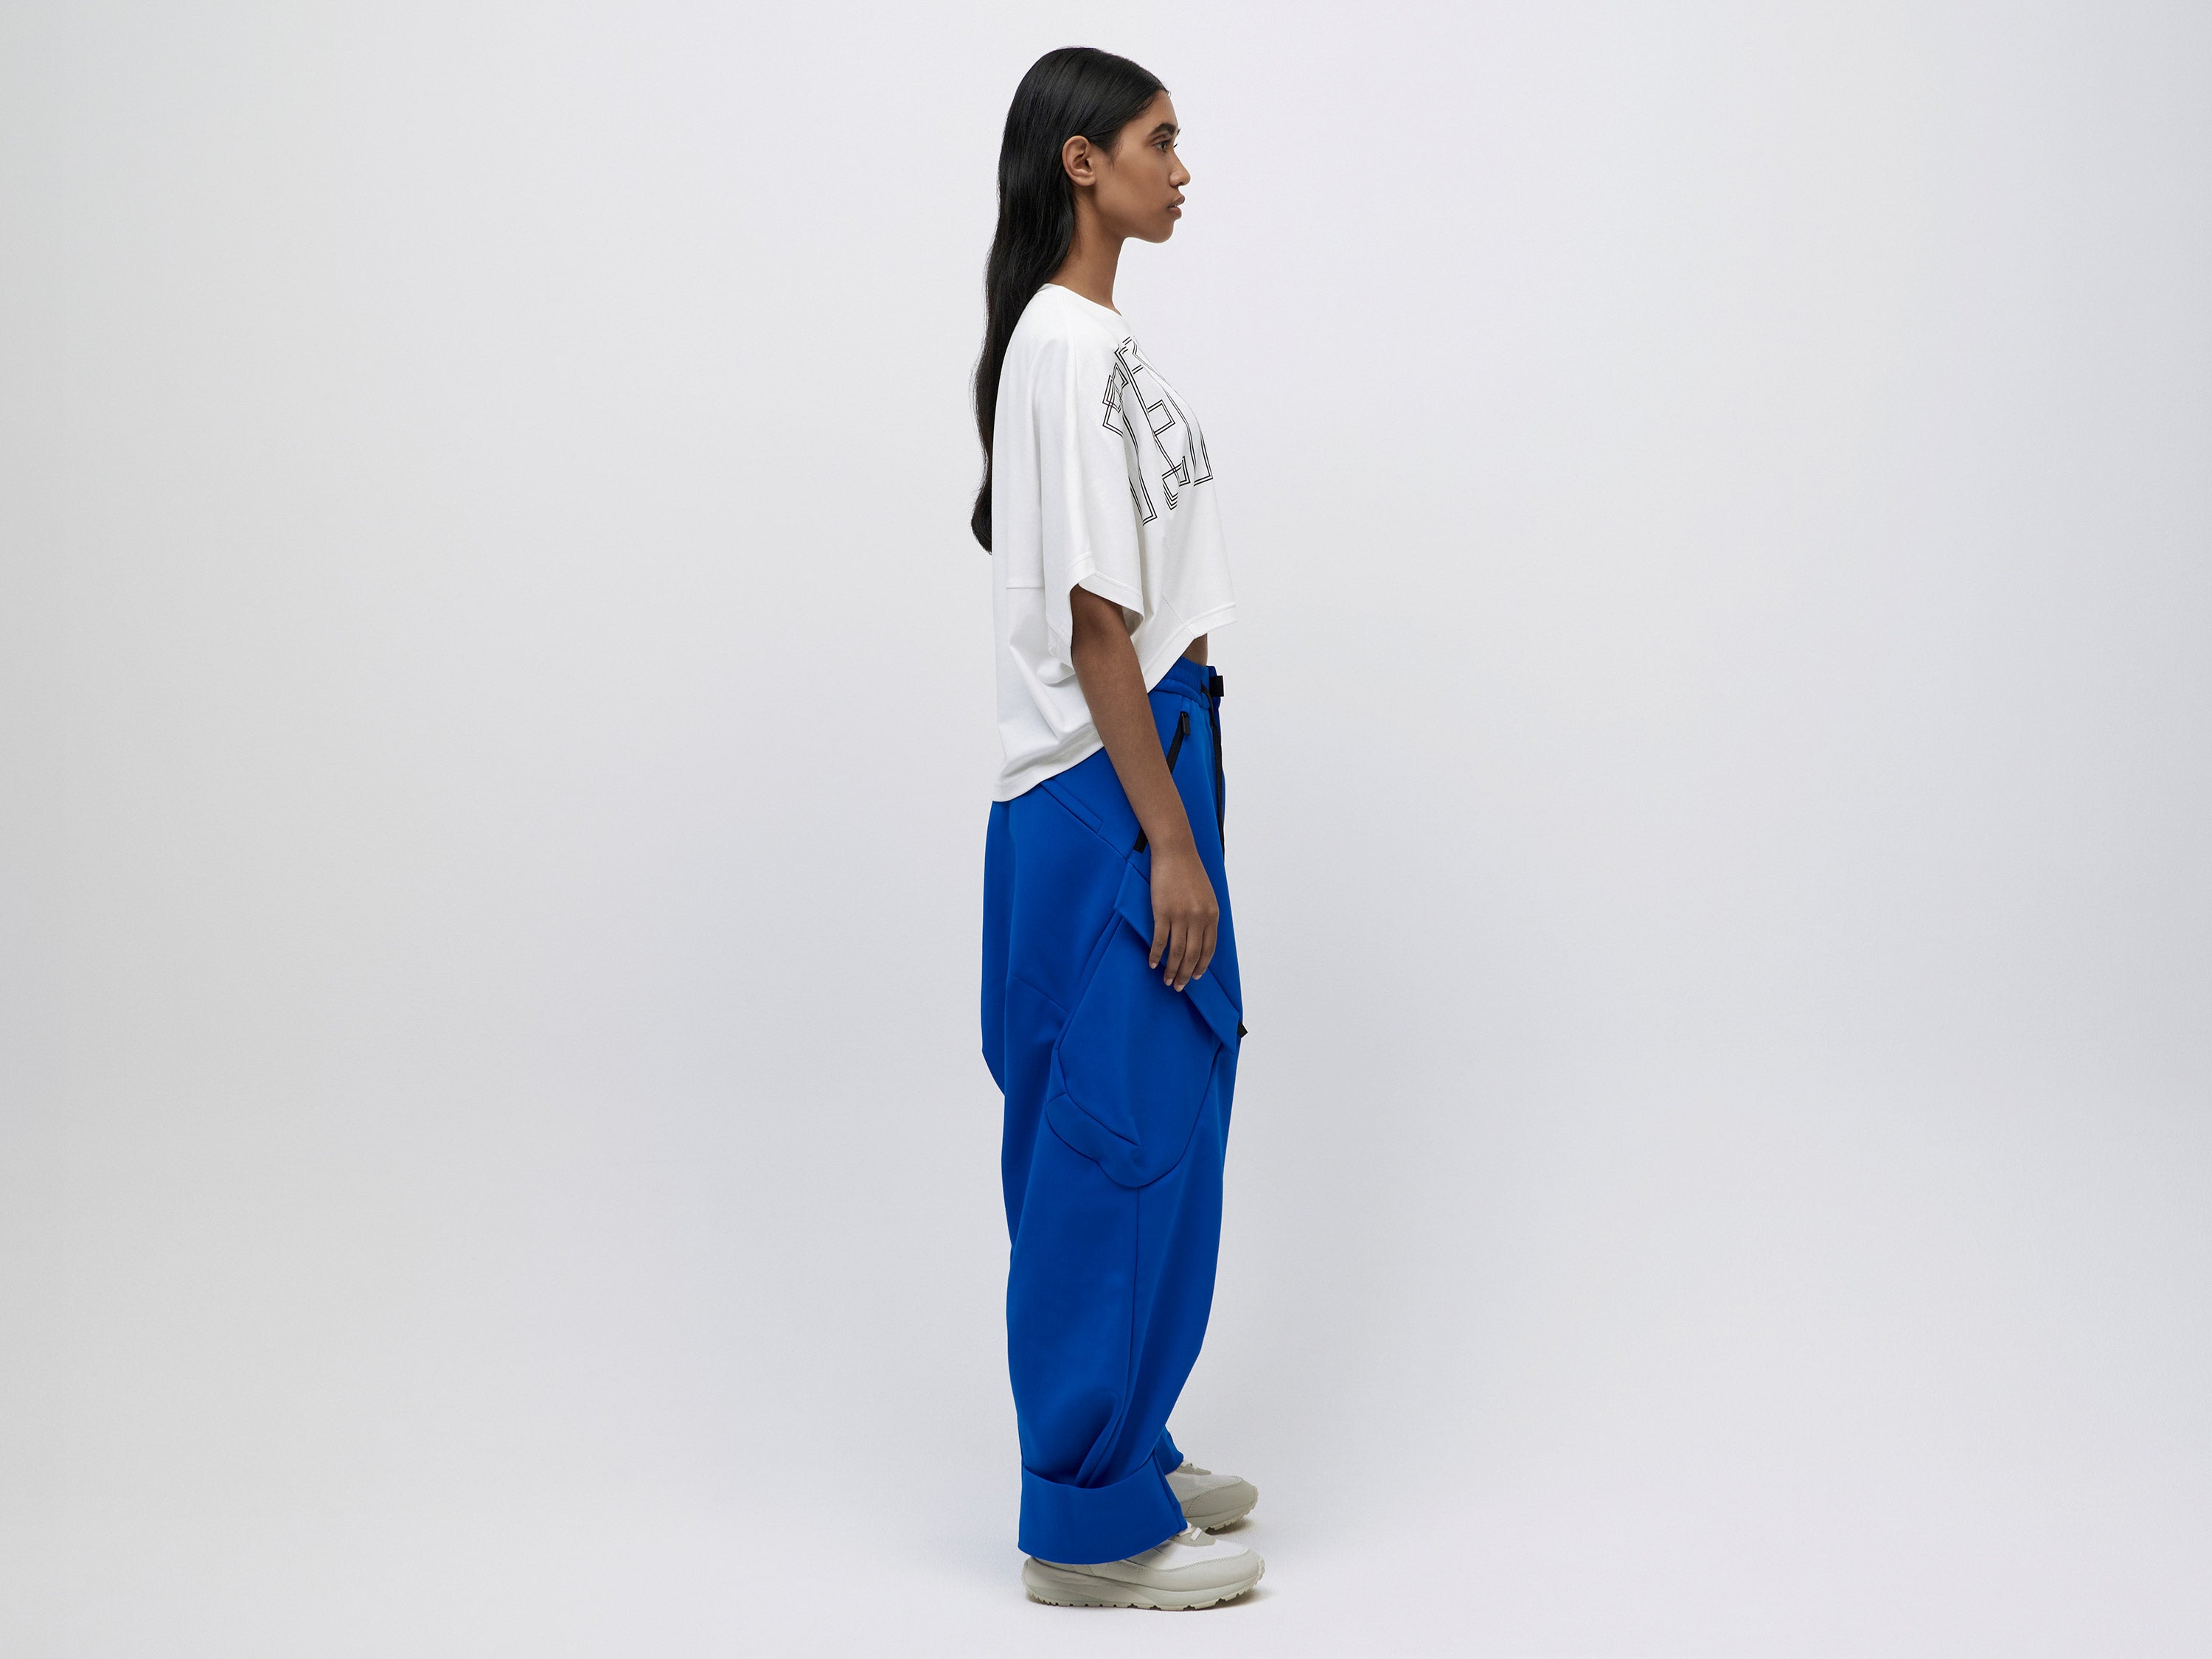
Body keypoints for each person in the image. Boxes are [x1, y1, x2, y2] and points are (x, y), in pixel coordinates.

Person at [973, 46, 1263, 1610]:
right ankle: (1085, 1526)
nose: (1182, 167)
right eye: (1159, 140)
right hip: (1107, 789)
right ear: (1082, 161)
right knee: (1114, 1148)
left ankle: (1125, 1441)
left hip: (1146, 769)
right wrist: (1167, 840)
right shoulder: (1065, 346)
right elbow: (1098, 626)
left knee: (1162, 1129)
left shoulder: (1092, 341)